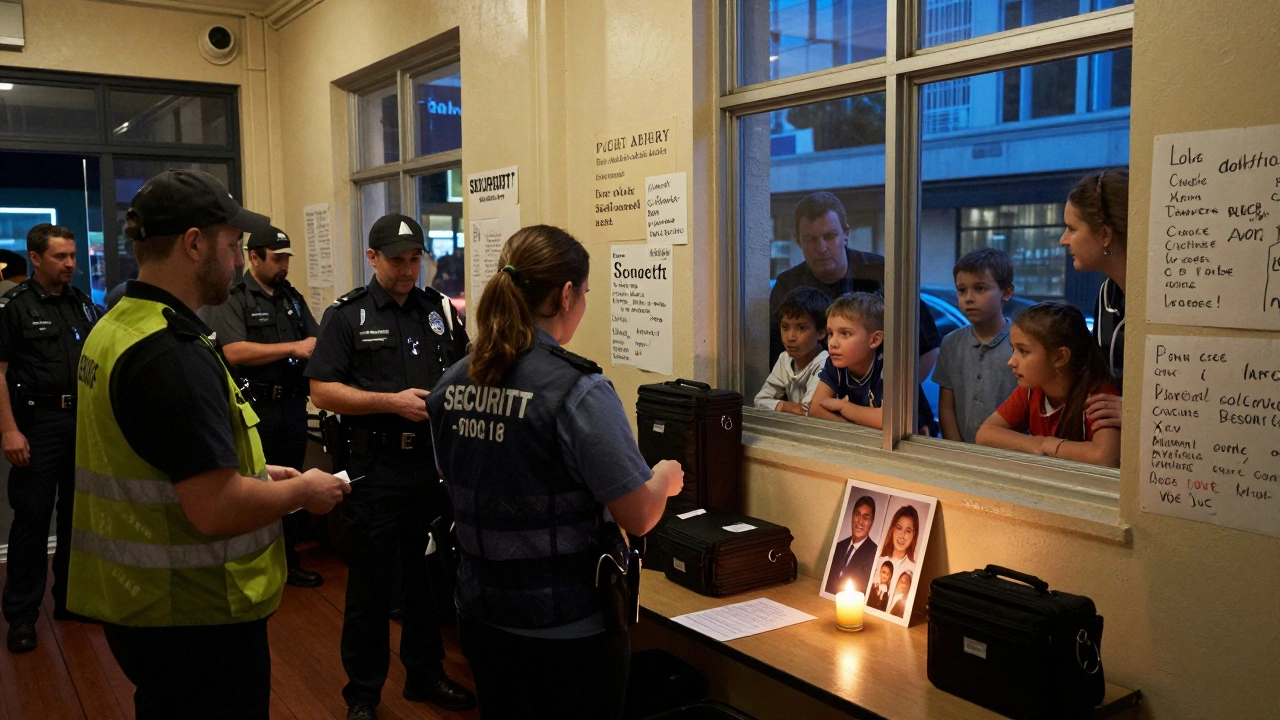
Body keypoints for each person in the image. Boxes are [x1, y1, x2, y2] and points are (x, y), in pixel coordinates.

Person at [67, 169, 349, 720]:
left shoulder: (119, 325)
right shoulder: (172, 354)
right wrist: (305, 493)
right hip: (193, 611)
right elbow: (215, 508)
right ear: (194, 243)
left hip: (143, 606)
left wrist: (261, 478)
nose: (237, 259)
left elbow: (161, 463)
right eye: (232, 245)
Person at [427, 225, 684, 720]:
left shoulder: (453, 382)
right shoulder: (577, 390)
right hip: (566, 631)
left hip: (480, 617)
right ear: (566, 294)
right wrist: (664, 479)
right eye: (585, 294)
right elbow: (639, 515)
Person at [307, 214, 475, 719]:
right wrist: (391, 402)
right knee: (370, 588)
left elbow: (462, 370)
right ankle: (363, 693)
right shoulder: (347, 316)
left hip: (429, 465)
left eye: (414, 258)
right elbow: (321, 390)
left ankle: (425, 676)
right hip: (374, 468)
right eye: (397, 260)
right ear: (372, 257)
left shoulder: (439, 311)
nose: (408, 270)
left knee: (427, 580)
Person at [0, 224, 100, 653]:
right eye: (60, 257)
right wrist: (8, 430)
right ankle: (22, 615)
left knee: (78, 519)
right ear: (36, 258)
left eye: (73, 255)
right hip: (36, 425)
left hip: (81, 422)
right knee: (32, 522)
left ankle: (69, 600)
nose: (70, 264)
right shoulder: (14, 308)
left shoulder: (83, 305)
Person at [206, 226, 324, 588]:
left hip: (290, 405)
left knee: (290, 484)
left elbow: (315, 340)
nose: (284, 266)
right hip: (255, 408)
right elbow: (234, 351)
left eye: (287, 258)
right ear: (253, 257)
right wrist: (291, 348)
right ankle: (254, 564)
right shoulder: (235, 297)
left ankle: (288, 561)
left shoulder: (290, 296)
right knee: (257, 485)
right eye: (277, 259)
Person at [768, 192, 941, 382]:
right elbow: (775, 355)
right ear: (798, 240)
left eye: (829, 236)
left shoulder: (882, 273)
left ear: (846, 233)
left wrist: (891, 397)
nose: (821, 247)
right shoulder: (788, 285)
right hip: (812, 400)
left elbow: (927, 345)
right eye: (811, 239)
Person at [975, 302, 1121, 468]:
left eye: (1023, 351)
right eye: (1013, 350)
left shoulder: (1098, 395)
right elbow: (985, 434)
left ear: (1060, 357)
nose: (1011, 362)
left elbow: (1105, 457)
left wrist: (1051, 446)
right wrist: (1041, 444)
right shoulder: (1030, 391)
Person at [808, 293, 939, 434]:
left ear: (875, 340)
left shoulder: (890, 365)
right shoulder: (836, 361)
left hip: (916, 442)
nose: (832, 343)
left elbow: (890, 420)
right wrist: (851, 426)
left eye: (845, 333)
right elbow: (815, 408)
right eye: (830, 333)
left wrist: (844, 407)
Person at [1059, 170, 1128, 433]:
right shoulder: (1106, 293)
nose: (1063, 240)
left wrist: (1138, 411)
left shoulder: (1164, 301)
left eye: (1072, 228)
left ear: (1105, 234)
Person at [934, 249, 1020, 444]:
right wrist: (957, 451)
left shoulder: (1022, 344)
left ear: (1006, 292)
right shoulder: (951, 343)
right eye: (962, 290)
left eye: (980, 288)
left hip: (1011, 456)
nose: (969, 298)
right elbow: (946, 407)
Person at [754, 286, 829, 415]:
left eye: (801, 328)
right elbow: (760, 400)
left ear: (821, 332)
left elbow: (809, 411)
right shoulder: (785, 358)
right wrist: (789, 407)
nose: (790, 337)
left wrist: (778, 405)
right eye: (785, 327)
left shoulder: (825, 362)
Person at [824, 495, 878, 595]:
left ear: (872, 522)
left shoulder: (875, 553)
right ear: (852, 516)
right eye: (857, 515)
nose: (860, 521)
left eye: (865, 517)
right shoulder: (838, 546)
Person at [878, 504, 920, 580]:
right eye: (899, 528)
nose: (902, 535)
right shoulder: (877, 562)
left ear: (914, 534)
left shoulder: (914, 570)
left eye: (908, 531)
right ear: (892, 529)